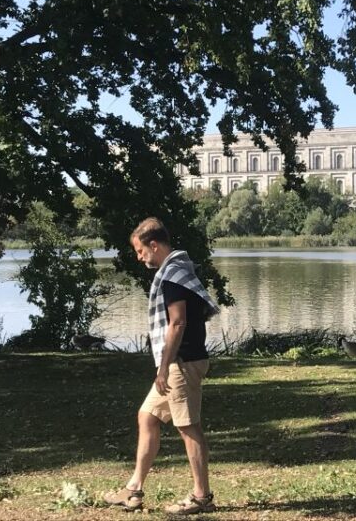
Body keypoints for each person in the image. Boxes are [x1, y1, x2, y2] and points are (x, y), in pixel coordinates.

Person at [104, 217, 219, 515]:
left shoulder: (173, 276)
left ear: (154, 245)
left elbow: (177, 323)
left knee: (188, 427)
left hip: (182, 362)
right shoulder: (177, 272)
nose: (139, 257)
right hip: (179, 362)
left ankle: (201, 496)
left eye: (141, 251)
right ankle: (133, 490)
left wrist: (164, 366)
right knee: (148, 417)